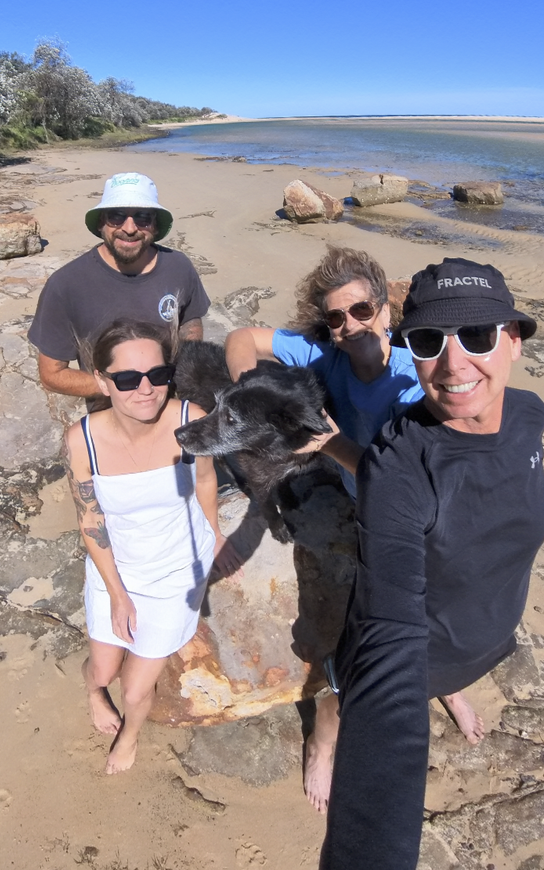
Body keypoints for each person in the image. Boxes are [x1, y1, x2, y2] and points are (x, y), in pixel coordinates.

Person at [318, 259, 544, 869]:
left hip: (486, 634)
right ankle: (323, 734)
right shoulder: (400, 468)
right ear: (410, 351)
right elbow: (391, 634)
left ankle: (450, 690)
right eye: (428, 342)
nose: (453, 364)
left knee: (450, 675)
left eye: (476, 335)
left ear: (514, 341)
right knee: (349, 697)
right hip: (418, 645)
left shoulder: (530, 417)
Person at [223, 244, 424, 810]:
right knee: (370, 623)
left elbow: (397, 478)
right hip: (359, 504)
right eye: (336, 317)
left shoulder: (411, 380)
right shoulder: (324, 350)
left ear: (385, 309)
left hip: (400, 503)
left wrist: (329, 443)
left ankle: (449, 685)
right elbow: (242, 337)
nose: (350, 325)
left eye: (362, 311)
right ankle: (327, 730)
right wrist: (249, 392)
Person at [65, 316, 224, 774]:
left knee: (135, 691)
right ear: (101, 380)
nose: (146, 389)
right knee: (103, 671)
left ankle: (129, 736)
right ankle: (94, 693)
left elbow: (207, 479)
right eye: (128, 379)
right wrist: (117, 595)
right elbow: (90, 521)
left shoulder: (193, 420)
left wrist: (212, 534)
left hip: (176, 573)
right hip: (115, 569)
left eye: (157, 375)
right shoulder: (83, 441)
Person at [31, 172, 211, 403]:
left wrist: (184, 369)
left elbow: (190, 318)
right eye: (116, 216)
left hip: (172, 403)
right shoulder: (65, 284)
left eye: (143, 217)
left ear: (155, 225)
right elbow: (51, 375)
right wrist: (121, 387)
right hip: (110, 411)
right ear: (100, 223)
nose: (129, 228)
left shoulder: (179, 266)